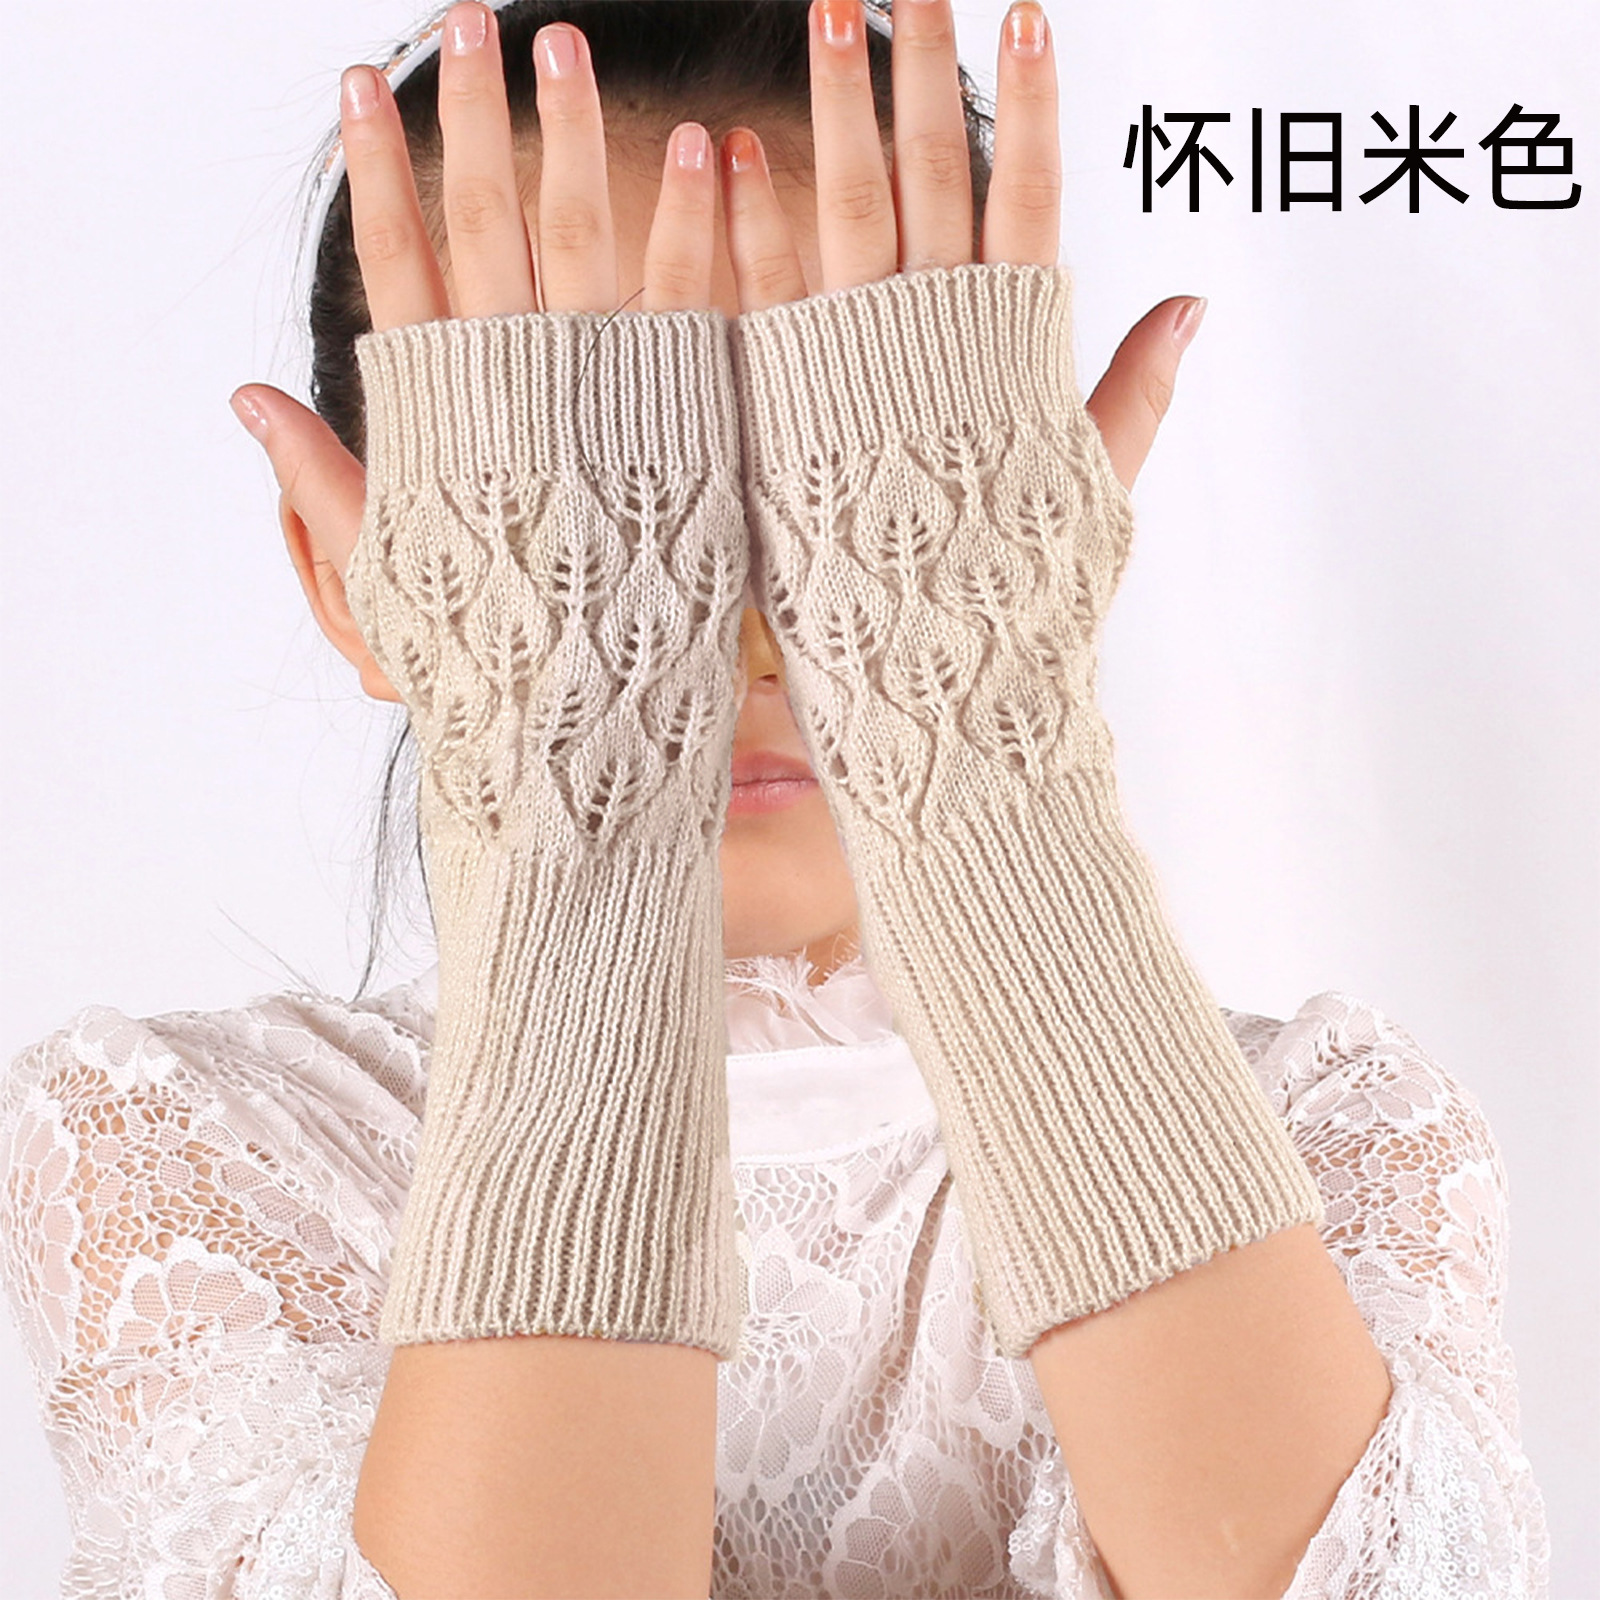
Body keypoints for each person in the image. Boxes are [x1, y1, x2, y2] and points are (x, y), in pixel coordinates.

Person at [0, 1, 1550, 1595]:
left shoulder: (1322, 1131)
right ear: (354, 579)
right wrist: (580, 837)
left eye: (843, 489)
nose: (722, 627)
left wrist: (987, 788)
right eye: (576, 509)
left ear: (1038, 540)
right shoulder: (188, 1148)